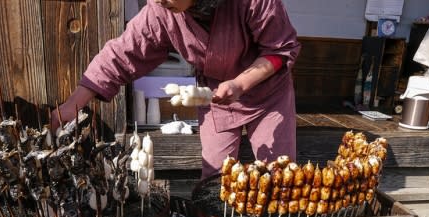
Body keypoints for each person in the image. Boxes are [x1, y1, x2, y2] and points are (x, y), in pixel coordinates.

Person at [51, 0, 300, 179]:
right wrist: (74, 103)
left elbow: (280, 50)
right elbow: (121, 53)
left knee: (279, 174)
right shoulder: (160, 12)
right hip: (216, 96)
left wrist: (240, 83)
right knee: (215, 177)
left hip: (268, 95)